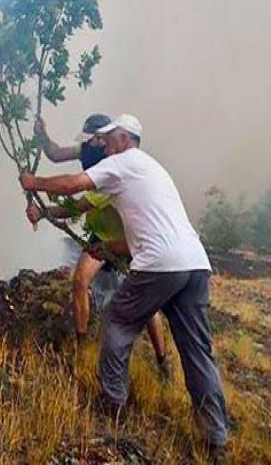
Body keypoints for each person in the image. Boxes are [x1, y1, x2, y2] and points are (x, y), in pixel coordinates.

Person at [20, 114, 229, 458]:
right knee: (197, 352)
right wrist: (52, 216)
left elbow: (74, 184)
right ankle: (216, 438)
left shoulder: (121, 163)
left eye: (108, 137)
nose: (102, 143)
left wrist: (34, 182)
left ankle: (113, 405)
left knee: (117, 319)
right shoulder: (152, 168)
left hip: (161, 264)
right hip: (194, 264)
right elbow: (141, 228)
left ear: (123, 138)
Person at [32, 114, 171, 381]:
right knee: (79, 280)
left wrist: (43, 210)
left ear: (103, 137)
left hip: (127, 239)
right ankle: (82, 345)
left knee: (149, 306)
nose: (92, 144)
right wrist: (41, 135)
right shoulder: (88, 150)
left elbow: (79, 204)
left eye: (96, 139)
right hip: (100, 235)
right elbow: (56, 153)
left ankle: (162, 361)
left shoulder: (115, 166)